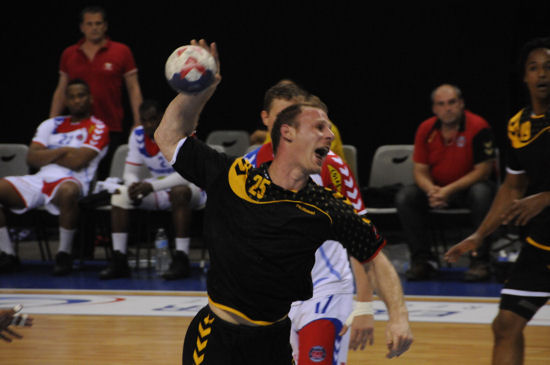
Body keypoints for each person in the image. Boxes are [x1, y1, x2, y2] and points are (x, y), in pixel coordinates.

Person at [155, 39, 412, 365]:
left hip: (273, 340)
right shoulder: (234, 177)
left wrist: (397, 315)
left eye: (328, 128)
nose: (329, 135)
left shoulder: (326, 206)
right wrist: (201, 88)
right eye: (319, 127)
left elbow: (375, 256)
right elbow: (168, 136)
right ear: (286, 132)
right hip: (217, 336)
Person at [245, 86, 377, 363]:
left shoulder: (330, 165)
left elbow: (364, 236)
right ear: (267, 119)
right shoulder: (248, 167)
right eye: (283, 115)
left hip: (324, 288)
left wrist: (365, 304)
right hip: (273, 295)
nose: (290, 123)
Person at [445, 36, 550, 365]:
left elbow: (533, 196)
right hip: (541, 243)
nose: (542, 74)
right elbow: (511, 188)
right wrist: (480, 234)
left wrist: (546, 198)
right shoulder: (518, 126)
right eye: (534, 68)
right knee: (505, 325)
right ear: (524, 77)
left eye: (548, 66)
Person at [0, 79, 109, 276]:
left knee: (68, 191)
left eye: (81, 95)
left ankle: (64, 254)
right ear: (66, 100)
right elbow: (32, 158)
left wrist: (49, 154)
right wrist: (65, 151)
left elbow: (78, 162)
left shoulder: (98, 127)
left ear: (90, 99)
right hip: (40, 180)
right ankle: (7, 254)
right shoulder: (51, 124)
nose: (77, 100)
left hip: (73, 181)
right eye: (72, 97)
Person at [395, 84, 497, 281]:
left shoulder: (479, 126)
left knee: (482, 192)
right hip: (437, 189)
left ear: (461, 104)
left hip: (467, 189)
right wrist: (432, 190)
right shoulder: (426, 128)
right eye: (441, 104)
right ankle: (423, 261)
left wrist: (448, 191)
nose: (447, 108)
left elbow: (483, 171)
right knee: (406, 196)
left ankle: (480, 262)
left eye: (452, 103)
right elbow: (420, 170)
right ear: (434, 108)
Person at [99, 100, 206, 280]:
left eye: (153, 119)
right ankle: (119, 259)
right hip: (159, 188)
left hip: (192, 188)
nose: (149, 124)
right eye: (145, 120)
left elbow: (187, 175)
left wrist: (151, 186)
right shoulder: (137, 135)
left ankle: (181, 258)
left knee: (179, 192)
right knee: (120, 195)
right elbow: (130, 172)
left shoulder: (182, 132)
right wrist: (133, 186)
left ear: (163, 117)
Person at [49, 6, 143, 179]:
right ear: (82, 27)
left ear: (105, 26)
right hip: (77, 129)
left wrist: (138, 122)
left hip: (111, 126)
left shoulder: (121, 51)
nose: (94, 28)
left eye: (98, 23)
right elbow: (61, 91)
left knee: (107, 179)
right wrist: (51, 123)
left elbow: (133, 89)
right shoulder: (69, 54)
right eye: (89, 24)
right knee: (76, 178)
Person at [249, 79, 346, 161]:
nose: (286, 125)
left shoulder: (326, 133)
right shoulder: (248, 164)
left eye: (292, 116)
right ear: (266, 118)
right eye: (280, 117)